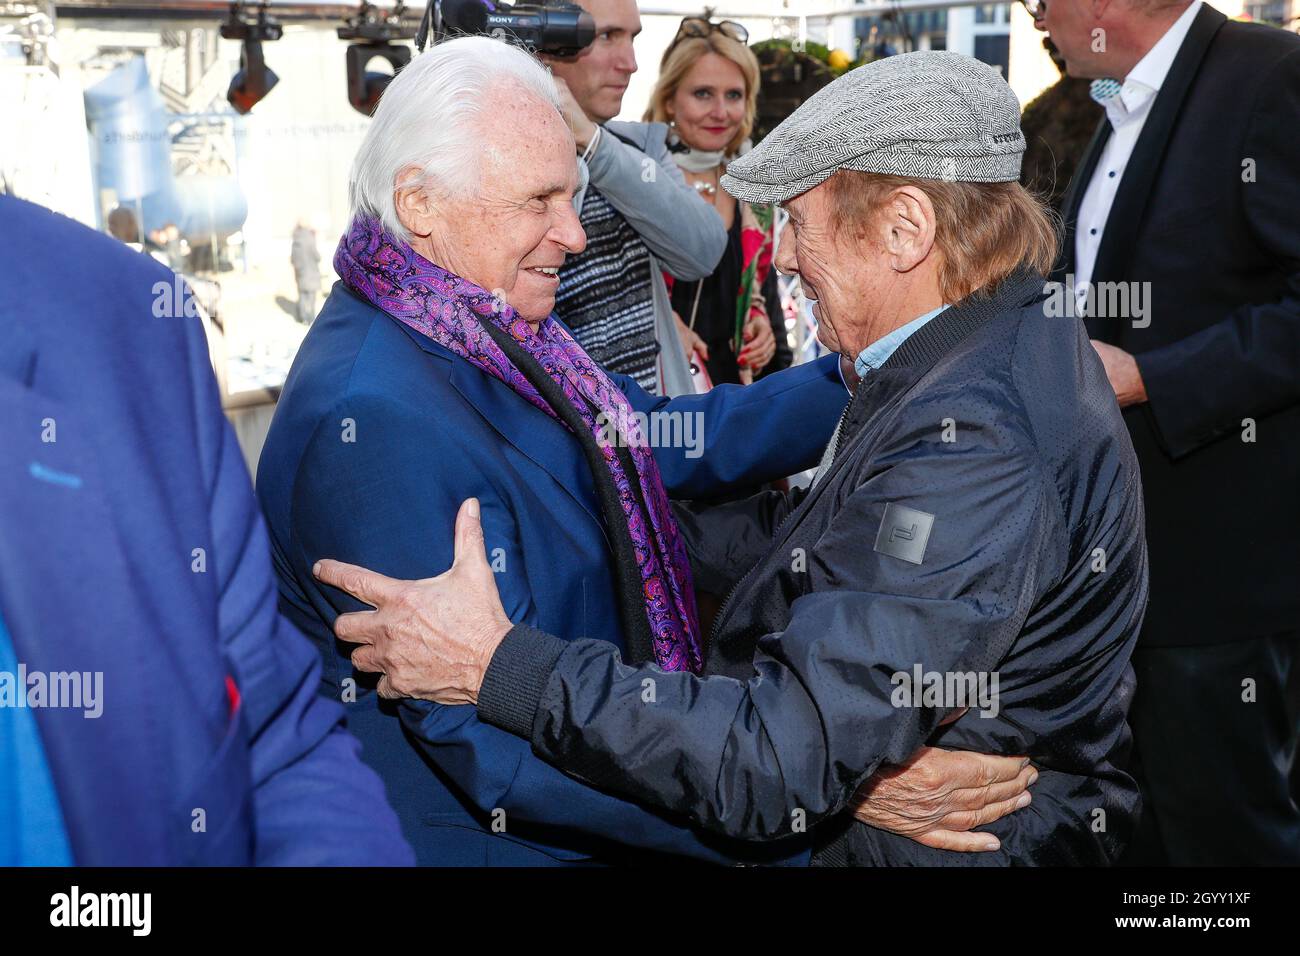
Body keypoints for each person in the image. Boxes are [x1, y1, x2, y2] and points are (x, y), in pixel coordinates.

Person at [316, 51, 1149, 866]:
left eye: (800, 223)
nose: (782, 256)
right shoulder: (996, 340)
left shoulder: (977, 435)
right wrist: (845, 768)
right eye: (540, 199)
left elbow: (781, 758)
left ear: (904, 230)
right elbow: (831, 542)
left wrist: (500, 667)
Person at [0, 194, 412, 866]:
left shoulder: (124, 316)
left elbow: (275, 746)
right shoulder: (365, 398)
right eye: (538, 200)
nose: (572, 232)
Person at [1038, 0, 1300, 865]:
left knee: (1222, 838)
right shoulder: (1117, 105)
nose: (1035, 13)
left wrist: (1151, 377)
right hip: (1126, 571)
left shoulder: (1269, 76)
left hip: (1220, 574)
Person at [544, 0, 728, 395]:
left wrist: (595, 145)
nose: (630, 63)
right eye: (606, 36)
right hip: (560, 433)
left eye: (633, 38)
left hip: (651, 435)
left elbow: (704, 249)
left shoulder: (638, 145)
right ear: (544, 40)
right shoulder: (499, 150)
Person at [645, 14, 789, 387]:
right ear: (670, 101)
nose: (721, 112)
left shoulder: (752, 195)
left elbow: (768, 307)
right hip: (654, 399)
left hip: (732, 401)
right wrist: (658, 322)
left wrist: (761, 330)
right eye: (703, 93)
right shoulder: (643, 180)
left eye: (734, 95)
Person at [290, 218, 322, 325]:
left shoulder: (296, 239)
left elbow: (293, 258)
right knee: (311, 295)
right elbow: (317, 256)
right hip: (312, 272)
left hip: (300, 272)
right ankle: (311, 318)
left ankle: (303, 317)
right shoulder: (310, 238)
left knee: (302, 295)